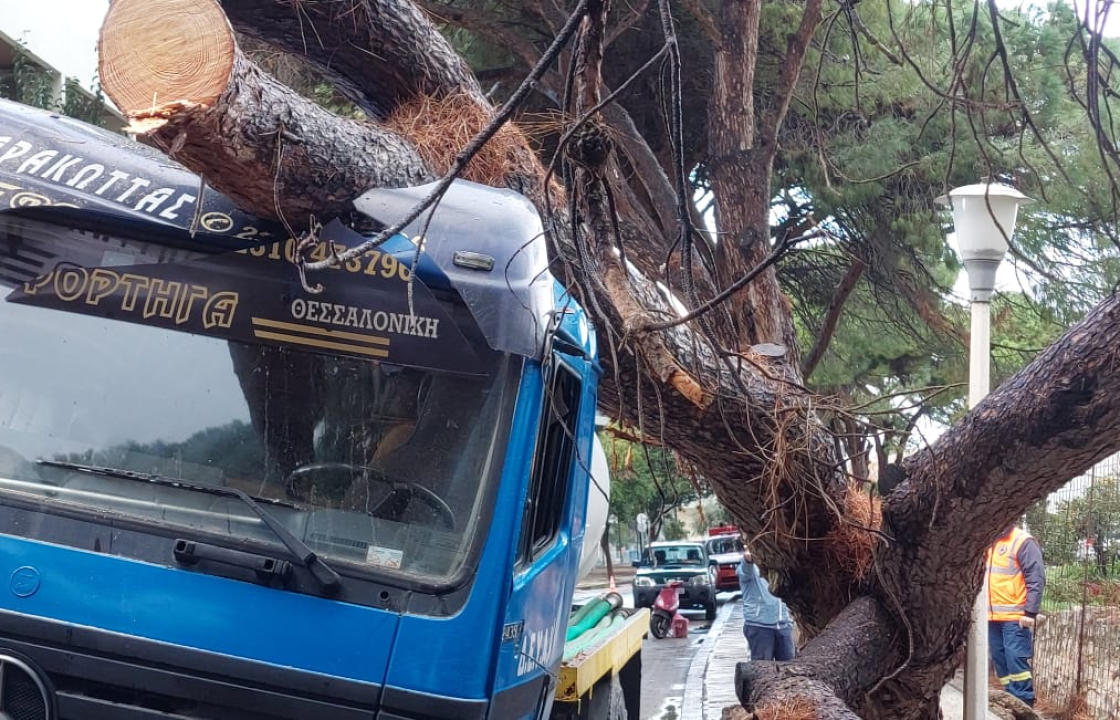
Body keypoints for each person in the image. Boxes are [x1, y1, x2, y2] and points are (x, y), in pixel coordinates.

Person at [986, 523, 1045, 706]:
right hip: (991, 616)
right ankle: (1010, 698)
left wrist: (1030, 612)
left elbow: (1036, 578)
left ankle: (1024, 702)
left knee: (1015, 658)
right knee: (1000, 659)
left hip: (1016, 617)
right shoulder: (988, 541)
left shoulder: (1023, 541)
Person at [737, 547, 795, 661]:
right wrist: (748, 560)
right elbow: (745, 571)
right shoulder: (750, 568)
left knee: (788, 667)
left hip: (783, 625)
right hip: (759, 626)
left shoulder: (780, 568)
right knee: (762, 669)